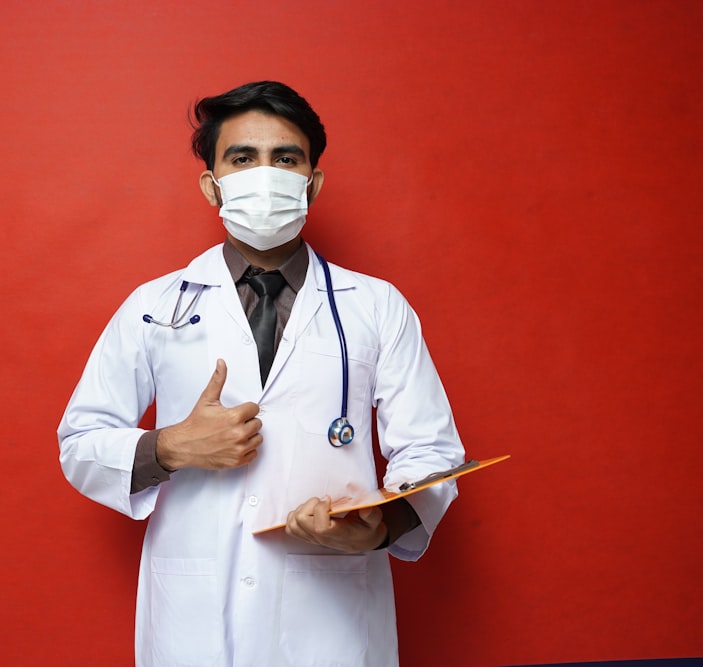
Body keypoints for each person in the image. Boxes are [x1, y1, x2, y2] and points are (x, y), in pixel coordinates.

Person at [58, 80, 465, 667]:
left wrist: (380, 526)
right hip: (195, 617)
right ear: (213, 185)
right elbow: (79, 442)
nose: (265, 173)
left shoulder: (377, 306)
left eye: (286, 158)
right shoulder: (154, 305)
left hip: (331, 620)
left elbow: (431, 451)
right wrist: (168, 447)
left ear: (312, 182)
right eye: (243, 158)